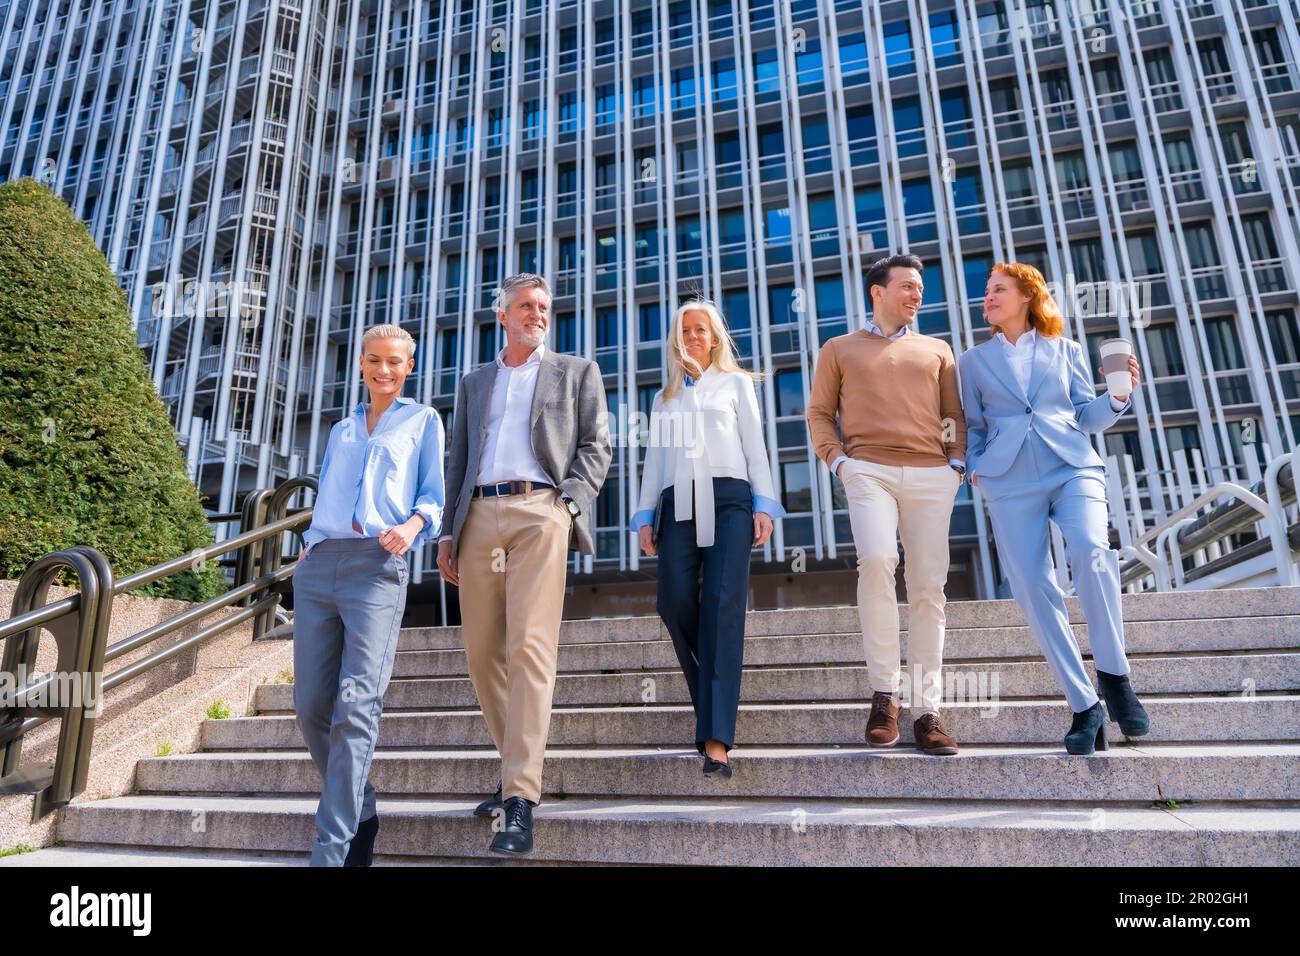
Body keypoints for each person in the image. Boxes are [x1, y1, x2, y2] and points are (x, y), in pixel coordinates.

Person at [436, 273, 612, 855]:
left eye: (543, 306)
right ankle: (516, 764)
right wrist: (446, 533)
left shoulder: (576, 371)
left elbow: (595, 446)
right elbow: (458, 458)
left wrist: (566, 505)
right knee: (483, 651)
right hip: (480, 517)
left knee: (530, 647)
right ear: (503, 316)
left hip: (541, 512)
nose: (537, 314)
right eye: (525, 307)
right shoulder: (474, 382)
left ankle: (519, 798)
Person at [958, 262, 1149, 755]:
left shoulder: (1066, 350)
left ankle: (1114, 675)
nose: (988, 298)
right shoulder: (972, 362)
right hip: (1008, 479)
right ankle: (1085, 705)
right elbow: (972, 426)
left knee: (1090, 550)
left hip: (1071, 466)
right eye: (987, 292)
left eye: (999, 289)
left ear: (1027, 296)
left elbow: (1085, 413)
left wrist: (1119, 398)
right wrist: (976, 466)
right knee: (1032, 585)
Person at [293, 323, 445, 866]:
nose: (385, 370)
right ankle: (361, 806)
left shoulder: (422, 420)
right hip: (320, 566)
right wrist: (309, 544)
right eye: (375, 360)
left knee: (357, 705)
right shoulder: (341, 429)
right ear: (361, 364)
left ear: (409, 367)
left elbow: (433, 495)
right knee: (311, 706)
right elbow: (329, 487)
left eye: (396, 362)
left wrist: (411, 528)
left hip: (378, 565)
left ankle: (332, 851)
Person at [806, 254, 967, 756]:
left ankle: (927, 710)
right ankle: (884, 695)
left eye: (920, 287)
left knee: (927, 587)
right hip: (866, 470)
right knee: (877, 561)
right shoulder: (839, 348)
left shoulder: (937, 349)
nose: (917, 294)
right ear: (877, 291)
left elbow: (953, 415)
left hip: (931, 476)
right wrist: (840, 464)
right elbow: (818, 413)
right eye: (907, 286)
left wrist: (955, 465)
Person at [631, 299, 785, 778]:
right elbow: (656, 460)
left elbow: (755, 445)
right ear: (676, 341)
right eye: (685, 331)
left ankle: (716, 739)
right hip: (677, 504)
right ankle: (713, 694)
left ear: (715, 337)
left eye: (701, 329)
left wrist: (764, 503)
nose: (693, 337)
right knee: (674, 602)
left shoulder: (736, 384)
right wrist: (643, 516)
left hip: (731, 499)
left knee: (722, 604)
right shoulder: (665, 398)